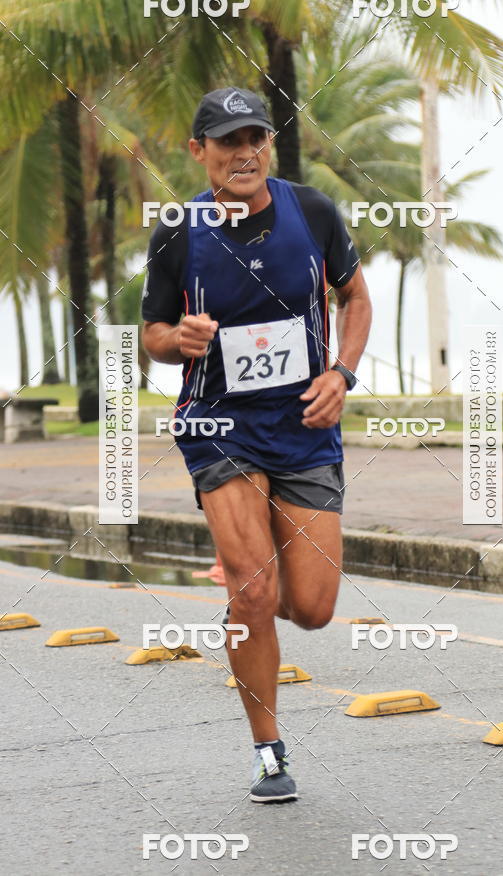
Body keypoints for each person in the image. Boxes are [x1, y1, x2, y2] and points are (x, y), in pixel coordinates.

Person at [142, 86, 371, 802]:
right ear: (198, 152)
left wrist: (343, 372)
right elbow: (150, 333)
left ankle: (252, 588)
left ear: (269, 143)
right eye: (228, 141)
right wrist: (175, 340)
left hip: (304, 426)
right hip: (219, 426)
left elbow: (355, 297)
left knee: (311, 606)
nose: (245, 152)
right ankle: (268, 750)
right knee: (253, 591)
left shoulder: (313, 212)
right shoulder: (178, 232)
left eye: (256, 138)